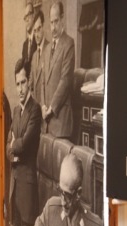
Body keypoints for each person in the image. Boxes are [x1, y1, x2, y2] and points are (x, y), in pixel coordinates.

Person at [6, 58, 41, 226]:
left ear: (30, 81)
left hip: (27, 188)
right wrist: (14, 153)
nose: (20, 89)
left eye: (23, 83)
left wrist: (14, 144)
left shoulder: (35, 110)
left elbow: (25, 143)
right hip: (15, 186)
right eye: (17, 84)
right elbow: (7, 148)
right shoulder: (15, 111)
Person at [41, 1, 75, 139]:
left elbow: (65, 81)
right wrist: (43, 106)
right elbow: (43, 81)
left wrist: (51, 108)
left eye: (56, 21)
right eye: (51, 22)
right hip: (47, 124)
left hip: (61, 122)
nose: (53, 27)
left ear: (62, 19)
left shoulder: (69, 44)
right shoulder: (47, 48)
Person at [29, 9, 49, 134]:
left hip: (46, 114)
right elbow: (31, 83)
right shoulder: (34, 55)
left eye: (39, 29)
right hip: (36, 114)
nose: (37, 34)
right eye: (34, 31)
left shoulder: (50, 50)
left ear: (44, 27)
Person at [22, 2, 37, 69]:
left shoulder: (38, 38)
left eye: (28, 15)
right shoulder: (25, 45)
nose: (27, 20)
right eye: (25, 17)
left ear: (33, 16)